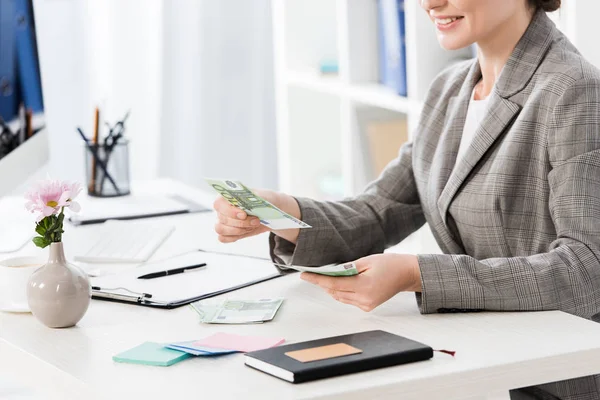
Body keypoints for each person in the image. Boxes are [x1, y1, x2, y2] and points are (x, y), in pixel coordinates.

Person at [214, 0, 600, 398]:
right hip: (484, 360)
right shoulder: (449, 90)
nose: (429, 3)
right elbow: (380, 212)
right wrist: (283, 212)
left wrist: (417, 274)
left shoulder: (575, 91)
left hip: (556, 379)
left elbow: (587, 269)